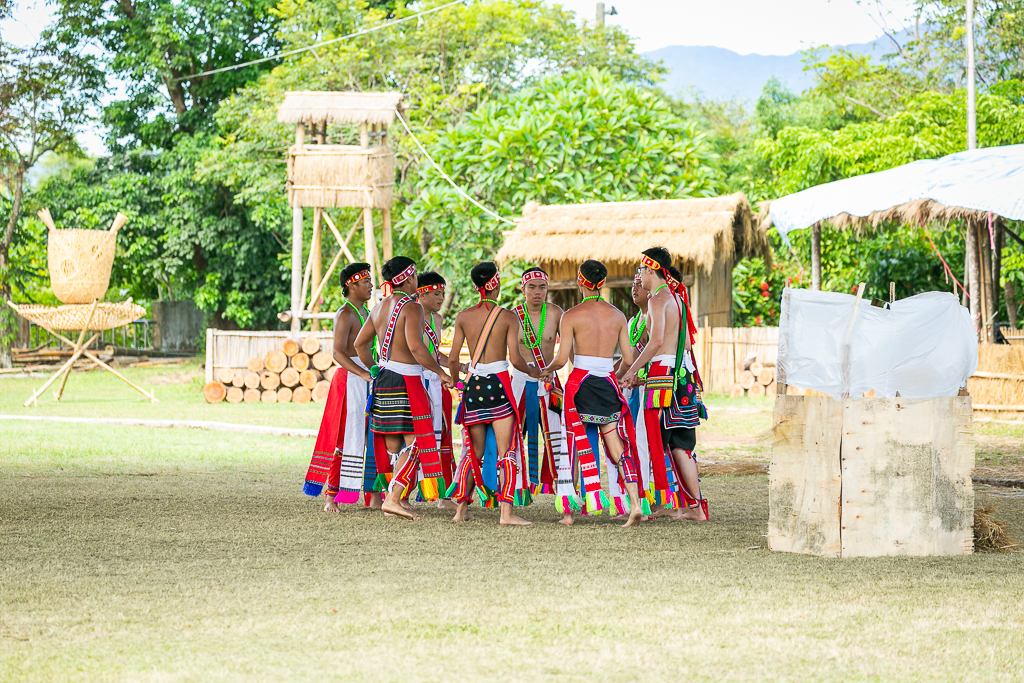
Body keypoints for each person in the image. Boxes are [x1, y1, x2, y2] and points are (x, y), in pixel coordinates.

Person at [544, 260, 644, 528]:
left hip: (580, 386)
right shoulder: (618, 316)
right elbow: (628, 357)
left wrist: (545, 370)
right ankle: (634, 503)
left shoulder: (572, 315)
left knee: (575, 445)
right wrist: (613, 373)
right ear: (603, 282)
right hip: (607, 386)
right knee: (616, 447)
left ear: (580, 281)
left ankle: (568, 513)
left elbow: (562, 358)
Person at [354, 257, 454, 521]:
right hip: (407, 380)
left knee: (393, 443)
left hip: (384, 379)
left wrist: (375, 368)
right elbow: (417, 347)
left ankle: (397, 498)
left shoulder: (378, 308)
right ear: (409, 278)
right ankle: (393, 499)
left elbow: (359, 345)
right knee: (419, 441)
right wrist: (440, 372)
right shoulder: (412, 308)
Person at [447, 261, 538, 525]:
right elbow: (517, 360)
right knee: (505, 451)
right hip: (499, 386)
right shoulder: (508, 316)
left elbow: (453, 359)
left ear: (476, 286)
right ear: (495, 283)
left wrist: (453, 381)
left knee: (473, 453)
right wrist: (535, 372)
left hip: (474, 387)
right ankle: (506, 514)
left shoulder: (463, 316)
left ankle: (460, 511)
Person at [622, 247, 709, 521]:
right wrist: (645, 374)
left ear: (650, 269)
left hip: (662, 378)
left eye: (641, 270)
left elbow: (657, 342)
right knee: (678, 444)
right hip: (676, 376)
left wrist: (633, 370)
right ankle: (693, 507)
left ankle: (653, 504)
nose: (640, 275)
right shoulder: (677, 299)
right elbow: (675, 349)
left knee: (648, 441)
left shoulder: (658, 300)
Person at [303, 262, 379, 512]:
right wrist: (362, 374)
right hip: (349, 379)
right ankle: (331, 496)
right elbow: (337, 352)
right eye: (365, 281)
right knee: (344, 437)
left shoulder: (366, 312)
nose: (370, 285)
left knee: (371, 436)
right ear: (351, 285)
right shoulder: (345, 313)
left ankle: (373, 494)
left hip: (366, 376)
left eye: (370, 280)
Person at [509, 267, 566, 496]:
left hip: (550, 382)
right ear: (523, 289)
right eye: (531, 287)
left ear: (547, 289)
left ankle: (560, 488)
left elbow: (568, 349)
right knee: (512, 435)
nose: (537, 292)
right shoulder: (512, 316)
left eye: (542, 287)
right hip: (520, 381)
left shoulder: (556, 313)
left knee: (558, 436)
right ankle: (514, 488)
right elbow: (512, 355)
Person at [415, 271, 458, 510]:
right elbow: (416, 352)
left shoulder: (438, 320)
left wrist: (458, 366)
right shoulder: (411, 315)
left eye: (442, 293)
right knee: (414, 437)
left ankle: (443, 496)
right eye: (435, 293)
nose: (441, 298)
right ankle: (399, 494)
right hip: (416, 380)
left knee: (444, 438)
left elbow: (434, 354)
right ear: (421, 293)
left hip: (436, 381)